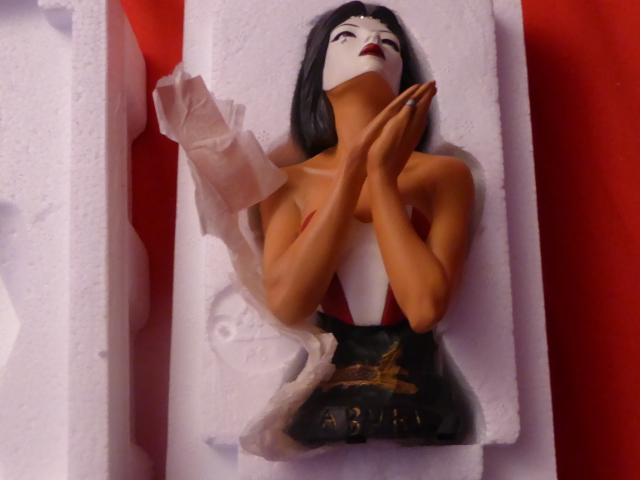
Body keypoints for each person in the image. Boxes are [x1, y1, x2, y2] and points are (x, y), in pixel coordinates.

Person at [259, 1, 474, 446]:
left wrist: (382, 178)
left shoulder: (445, 176)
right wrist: (354, 167)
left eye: (389, 41)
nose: (373, 40)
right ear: (317, 72)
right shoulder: (287, 183)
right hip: (328, 392)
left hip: (418, 391)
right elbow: (288, 304)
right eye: (347, 36)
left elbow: (425, 309)